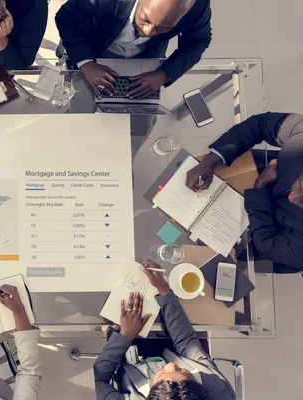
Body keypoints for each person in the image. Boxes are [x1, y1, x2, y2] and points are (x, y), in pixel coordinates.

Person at [94, 260, 236, 400]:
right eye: (186, 373)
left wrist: (125, 335)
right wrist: (164, 290)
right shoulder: (216, 386)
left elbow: (98, 380)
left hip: (126, 356)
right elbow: (186, 342)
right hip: (174, 348)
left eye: (162, 375)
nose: (171, 366)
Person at [185, 112, 303, 274]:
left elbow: (266, 244)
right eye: (301, 185)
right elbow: (261, 124)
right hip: (260, 171)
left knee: (192, 249)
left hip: (265, 230)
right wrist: (211, 161)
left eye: (302, 203)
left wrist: (259, 186)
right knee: (181, 186)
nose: (292, 197)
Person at [55, 0, 212, 99]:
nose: (148, 33)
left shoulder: (198, 7)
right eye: (145, 20)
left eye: (163, 28)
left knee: (139, 127)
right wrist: (86, 63)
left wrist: (164, 74)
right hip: (94, 49)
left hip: (146, 62)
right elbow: (66, 18)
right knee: (80, 110)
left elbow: (198, 41)